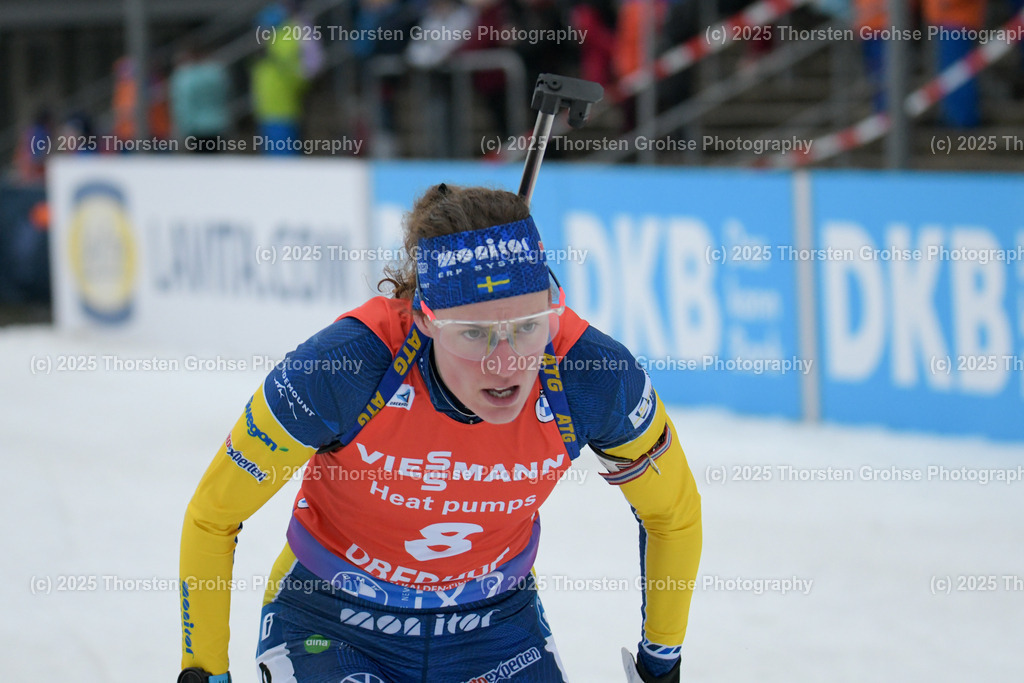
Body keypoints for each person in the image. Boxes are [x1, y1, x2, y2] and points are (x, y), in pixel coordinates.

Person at [177, 184, 702, 683]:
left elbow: (671, 514)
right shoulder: (346, 366)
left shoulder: (590, 374)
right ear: (424, 318)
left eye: (527, 326)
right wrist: (205, 670)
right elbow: (214, 515)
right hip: (331, 625)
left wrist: (662, 659)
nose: (507, 362)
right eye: (473, 333)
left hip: (495, 630)